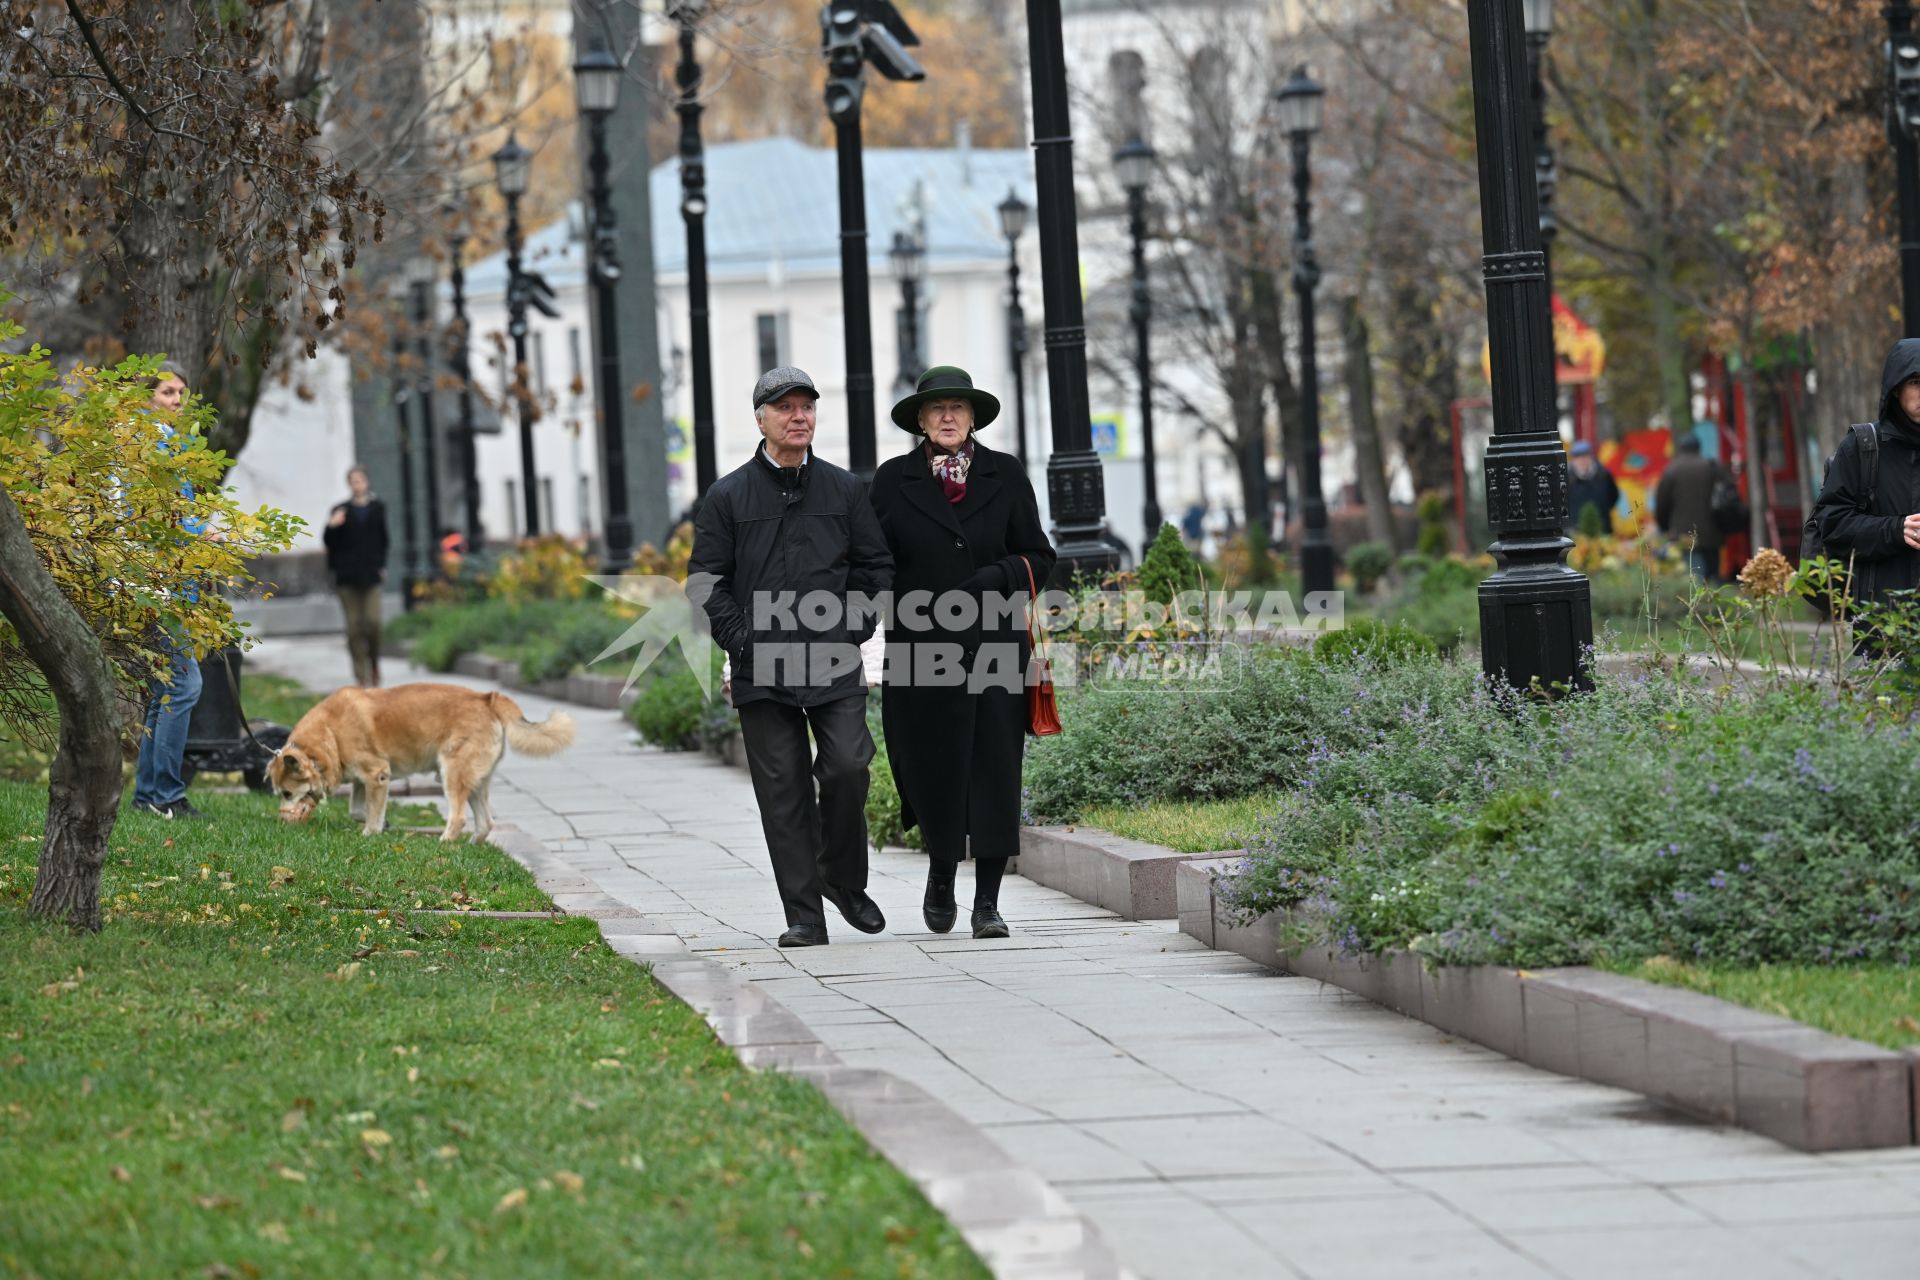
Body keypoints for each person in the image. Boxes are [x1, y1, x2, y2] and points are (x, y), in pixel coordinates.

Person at [686, 367, 894, 948]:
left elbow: (875, 567)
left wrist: (853, 626)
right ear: (760, 419)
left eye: (807, 407)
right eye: (785, 408)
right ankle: (805, 915)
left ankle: (842, 878)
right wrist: (742, 641)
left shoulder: (845, 490)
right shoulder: (728, 496)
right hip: (762, 668)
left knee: (850, 767)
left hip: (832, 659)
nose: (799, 416)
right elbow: (706, 581)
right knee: (784, 795)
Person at [869, 367, 1056, 940]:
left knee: (996, 766)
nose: (948, 417)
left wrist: (994, 578)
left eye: (958, 407)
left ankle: (989, 904)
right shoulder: (891, 480)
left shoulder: (1007, 473)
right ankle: (941, 873)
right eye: (936, 409)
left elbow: (1039, 557)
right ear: (920, 421)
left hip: (996, 645)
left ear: (973, 417)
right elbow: (873, 561)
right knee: (926, 765)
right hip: (919, 649)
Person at [131, 364, 207, 820]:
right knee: (184, 686)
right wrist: (204, 533)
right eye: (167, 392)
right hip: (157, 584)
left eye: (181, 392)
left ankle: (147, 794)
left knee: (165, 691)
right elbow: (160, 518)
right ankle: (167, 796)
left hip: (175, 584)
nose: (177, 400)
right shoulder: (149, 447)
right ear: (147, 397)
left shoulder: (172, 444)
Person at [1811, 338, 1920, 650]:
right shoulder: (1862, 448)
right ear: (1896, 387)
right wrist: (1896, 530)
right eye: (1915, 382)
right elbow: (1831, 523)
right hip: (1881, 625)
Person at [322, 465, 390, 687]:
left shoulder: (378, 508)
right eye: (353, 480)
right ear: (349, 484)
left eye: (360, 479)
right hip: (347, 577)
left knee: (373, 623)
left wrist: (382, 566)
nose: (357, 484)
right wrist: (332, 526)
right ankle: (361, 675)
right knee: (354, 628)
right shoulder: (341, 510)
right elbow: (329, 542)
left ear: (367, 482)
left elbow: (383, 540)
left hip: (371, 575)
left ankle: (374, 663)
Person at [1653, 433, 1734, 582]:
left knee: (1694, 582)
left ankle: (1699, 604)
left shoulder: (1672, 470)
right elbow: (1729, 495)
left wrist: (1665, 527)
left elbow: (1662, 505)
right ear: (1698, 448)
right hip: (1713, 533)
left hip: (1684, 535)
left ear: (1681, 449)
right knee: (1713, 581)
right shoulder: (1712, 466)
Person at [1565, 441, 1620, 536]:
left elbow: (1613, 496)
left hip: (1603, 528)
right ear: (1573, 460)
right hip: (1576, 530)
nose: (1582, 461)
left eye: (1585, 456)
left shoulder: (1604, 475)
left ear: (1591, 457)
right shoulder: (1566, 479)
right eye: (1578, 457)